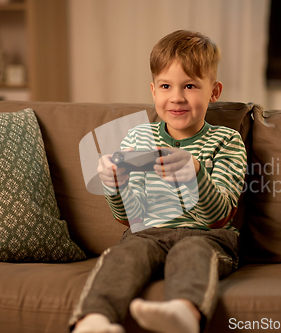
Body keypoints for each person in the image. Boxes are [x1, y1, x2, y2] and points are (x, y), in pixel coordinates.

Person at [69, 30, 247, 333]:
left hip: (206, 237)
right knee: (124, 254)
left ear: (214, 92)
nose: (176, 97)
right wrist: (116, 185)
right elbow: (129, 217)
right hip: (147, 234)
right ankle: (93, 320)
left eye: (190, 86)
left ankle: (185, 313)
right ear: (154, 92)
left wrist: (196, 173)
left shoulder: (226, 141)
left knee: (192, 251)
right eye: (166, 86)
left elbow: (218, 218)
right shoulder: (138, 138)